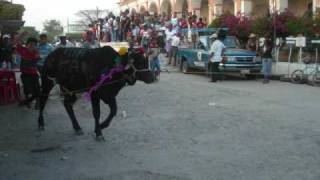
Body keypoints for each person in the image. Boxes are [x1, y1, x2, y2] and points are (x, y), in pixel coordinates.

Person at [14, 32, 40, 108]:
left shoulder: (36, 52)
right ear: (27, 44)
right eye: (30, 44)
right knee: (27, 89)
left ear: (36, 45)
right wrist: (21, 35)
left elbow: (36, 58)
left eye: (34, 44)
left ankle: (37, 103)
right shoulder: (22, 49)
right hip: (25, 74)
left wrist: (36, 53)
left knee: (37, 88)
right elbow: (16, 41)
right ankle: (28, 102)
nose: (32, 45)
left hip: (34, 73)